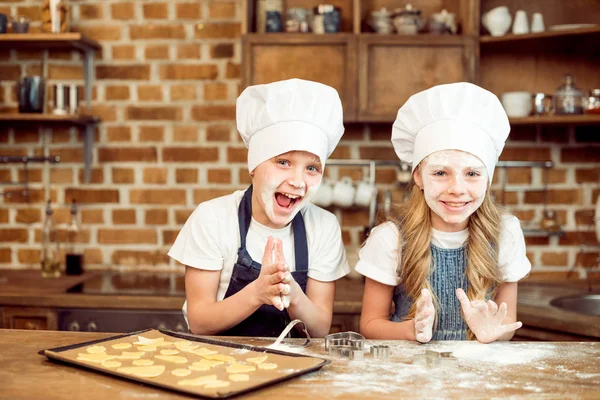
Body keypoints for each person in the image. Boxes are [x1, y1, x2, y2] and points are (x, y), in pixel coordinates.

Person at [168, 78, 350, 338]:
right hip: (218, 366)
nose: (298, 181)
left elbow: (319, 329)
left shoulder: (323, 227)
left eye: (311, 168)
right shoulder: (213, 218)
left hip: (294, 368)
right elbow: (200, 322)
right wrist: (257, 292)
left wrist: (292, 292)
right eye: (283, 162)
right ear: (253, 165)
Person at [356, 82, 531, 343]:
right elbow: (370, 324)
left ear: (488, 179)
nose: (456, 189)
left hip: (476, 375)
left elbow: (507, 322)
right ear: (419, 176)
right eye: (440, 173)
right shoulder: (390, 238)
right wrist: (409, 331)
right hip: (410, 374)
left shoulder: (505, 234)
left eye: (472, 174)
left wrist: (493, 334)